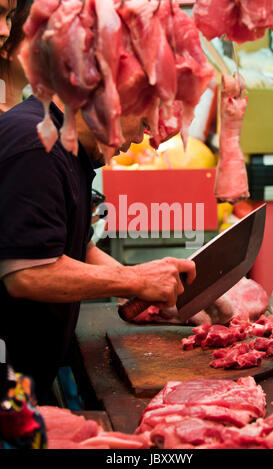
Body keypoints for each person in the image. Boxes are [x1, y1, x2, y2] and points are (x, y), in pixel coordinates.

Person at [0, 12, 196, 403]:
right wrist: (135, 281)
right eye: (146, 115)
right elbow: (26, 273)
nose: (149, 137)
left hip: (30, 379)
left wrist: (143, 283)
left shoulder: (70, 149)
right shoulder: (35, 142)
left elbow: (77, 249)